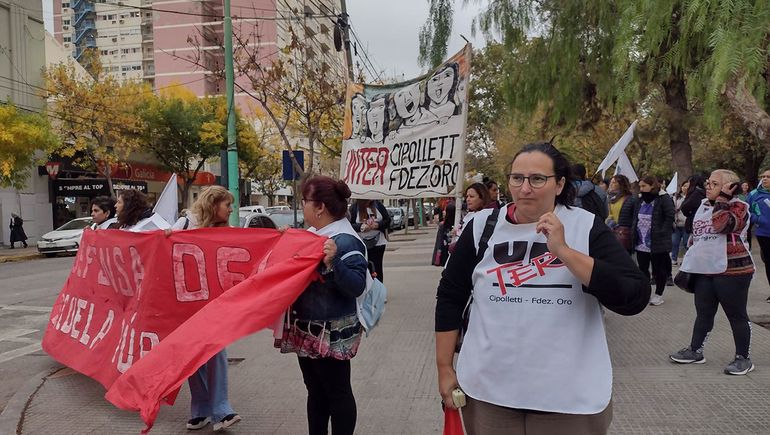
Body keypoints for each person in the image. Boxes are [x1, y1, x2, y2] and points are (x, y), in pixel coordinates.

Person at [435, 142, 649, 435]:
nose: (525, 188)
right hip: (489, 392)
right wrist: (444, 368)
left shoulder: (584, 226)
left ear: (559, 184)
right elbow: (450, 295)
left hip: (567, 399)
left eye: (537, 179)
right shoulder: (481, 226)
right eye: (517, 178)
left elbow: (633, 296)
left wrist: (564, 251)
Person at [276, 176, 368, 435]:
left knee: (337, 393)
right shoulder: (313, 235)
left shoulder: (345, 240)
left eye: (304, 201)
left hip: (331, 330)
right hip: (309, 328)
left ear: (320, 207)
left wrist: (334, 261)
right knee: (316, 390)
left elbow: (356, 285)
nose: (302, 206)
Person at [669, 169, 755, 375]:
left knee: (737, 315)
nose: (708, 186)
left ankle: (743, 358)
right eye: (708, 182)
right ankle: (695, 350)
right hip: (705, 270)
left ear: (730, 188)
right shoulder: (703, 206)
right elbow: (695, 230)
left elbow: (723, 225)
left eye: (715, 184)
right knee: (704, 312)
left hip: (733, 270)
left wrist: (723, 200)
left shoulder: (740, 206)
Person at [171, 186, 242, 432]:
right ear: (213, 206)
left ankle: (221, 409)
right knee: (193, 357)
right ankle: (200, 410)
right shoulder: (185, 224)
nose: (231, 209)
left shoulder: (228, 232)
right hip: (186, 302)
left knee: (216, 353)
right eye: (227, 205)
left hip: (215, 304)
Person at [631, 176, 675, 306]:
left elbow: (669, 216)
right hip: (641, 241)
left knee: (658, 269)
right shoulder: (639, 200)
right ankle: (645, 293)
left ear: (652, 186)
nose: (641, 188)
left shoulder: (663, 198)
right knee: (643, 268)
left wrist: (662, 231)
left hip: (657, 241)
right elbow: (635, 216)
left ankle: (658, 294)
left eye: (644, 186)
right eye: (640, 186)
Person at [348, 199, 390, 283]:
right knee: (365, 267)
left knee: (377, 268)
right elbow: (349, 225)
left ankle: (378, 290)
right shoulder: (355, 208)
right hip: (361, 243)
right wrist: (361, 227)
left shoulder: (378, 205)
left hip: (378, 242)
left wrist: (378, 225)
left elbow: (387, 220)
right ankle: (367, 290)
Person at [747, 169, 770, 302]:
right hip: (764, 233)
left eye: (768, 177)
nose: (765, 179)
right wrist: (758, 219)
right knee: (769, 262)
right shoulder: (754, 194)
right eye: (763, 176)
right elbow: (747, 210)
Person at [671, 180, 689, 265]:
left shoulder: (690, 198)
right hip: (676, 224)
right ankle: (674, 258)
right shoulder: (676, 197)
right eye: (684, 185)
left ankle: (685, 259)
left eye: (687, 186)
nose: (685, 187)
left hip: (686, 224)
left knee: (686, 242)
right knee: (674, 242)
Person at [432, 202, 456, 267]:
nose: (443, 212)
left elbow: (439, 242)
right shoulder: (457, 224)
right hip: (448, 251)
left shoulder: (444, 226)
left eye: (445, 210)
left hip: (446, 252)